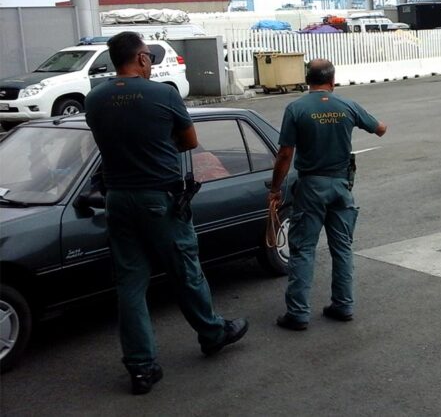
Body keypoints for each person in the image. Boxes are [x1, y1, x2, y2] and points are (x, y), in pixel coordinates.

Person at [85, 32, 248, 395]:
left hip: (118, 199)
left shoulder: (94, 99)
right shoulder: (162, 94)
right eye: (150, 58)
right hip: (158, 197)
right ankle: (212, 333)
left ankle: (142, 368)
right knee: (185, 270)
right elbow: (189, 142)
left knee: (130, 284)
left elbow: (107, 140)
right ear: (141, 59)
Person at [268, 58, 387, 331]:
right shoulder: (347, 106)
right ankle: (343, 304)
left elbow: (285, 154)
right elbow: (380, 129)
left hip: (311, 188)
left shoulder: (296, 108)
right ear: (333, 81)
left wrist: (275, 189)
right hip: (341, 186)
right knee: (342, 247)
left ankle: (298, 313)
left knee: (303, 249)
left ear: (307, 80)